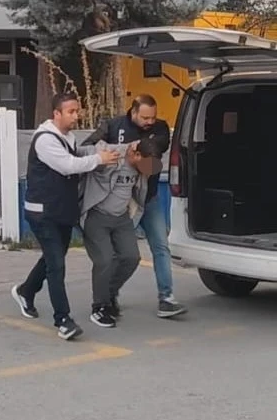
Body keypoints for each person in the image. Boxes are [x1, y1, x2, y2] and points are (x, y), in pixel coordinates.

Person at [11, 91, 119, 339]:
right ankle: (63, 320)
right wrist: (98, 159)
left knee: (54, 258)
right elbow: (68, 166)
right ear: (56, 113)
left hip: (61, 211)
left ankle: (26, 291)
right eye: (71, 112)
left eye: (77, 111)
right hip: (42, 213)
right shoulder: (45, 139)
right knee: (57, 265)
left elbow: (75, 162)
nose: (76, 116)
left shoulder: (67, 137)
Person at [87, 95, 187, 318]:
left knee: (161, 246)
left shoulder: (160, 128)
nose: (150, 121)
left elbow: (157, 147)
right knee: (121, 255)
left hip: (148, 198)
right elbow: (90, 146)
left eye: (153, 117)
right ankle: (108, 295)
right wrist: (122, 149)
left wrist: (136, 148)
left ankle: (166, 298)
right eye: (144, 117)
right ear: (133, 112)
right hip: (121, 202)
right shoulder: (113, 126)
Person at [81, 136, 162, 328]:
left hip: (122, 218)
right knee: (105, 260)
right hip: (97, 215)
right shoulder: (111, 154)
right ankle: (100, 307)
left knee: (131, 257)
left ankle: (109, 294)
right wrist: (97, 159)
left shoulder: (145, 164)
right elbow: (78, 152)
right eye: (144, 164)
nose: (147, 170)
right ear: (136, 154)